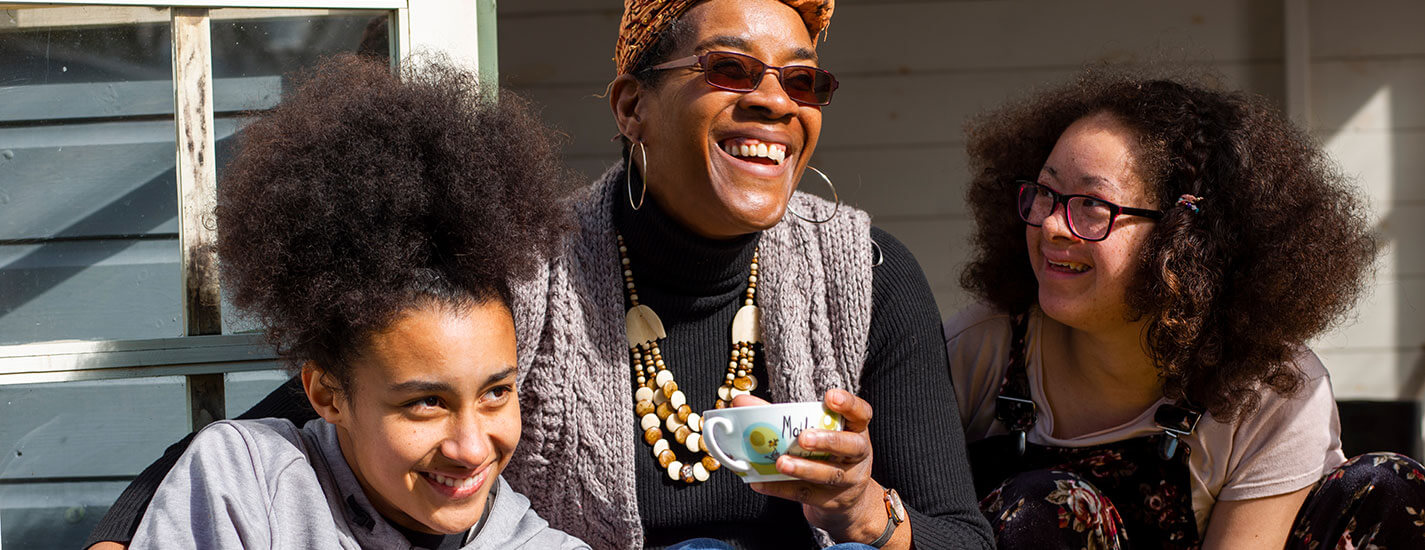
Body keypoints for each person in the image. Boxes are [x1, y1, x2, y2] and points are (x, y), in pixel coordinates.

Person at [89, 1, 994, 549]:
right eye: (729, 69)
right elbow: (330, 399)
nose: (773, 99)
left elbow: (955, 536)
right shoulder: (524, 263)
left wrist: (862, 509)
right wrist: (122, 530)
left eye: (804, 83)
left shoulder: (864, 272)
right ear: (631, 106)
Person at [947, 69, 1425, 549]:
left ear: (1184, 242)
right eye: (1045, 193)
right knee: (1046, 505)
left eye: (1092, 204)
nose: (1051, 223)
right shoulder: (973, 351)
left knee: (1389, 485)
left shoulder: (1271, 388)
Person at [126, 55, 584, 549]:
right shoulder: (244, 487)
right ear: (327, 394)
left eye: (497, 393)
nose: (471, 449)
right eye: (426, 402)